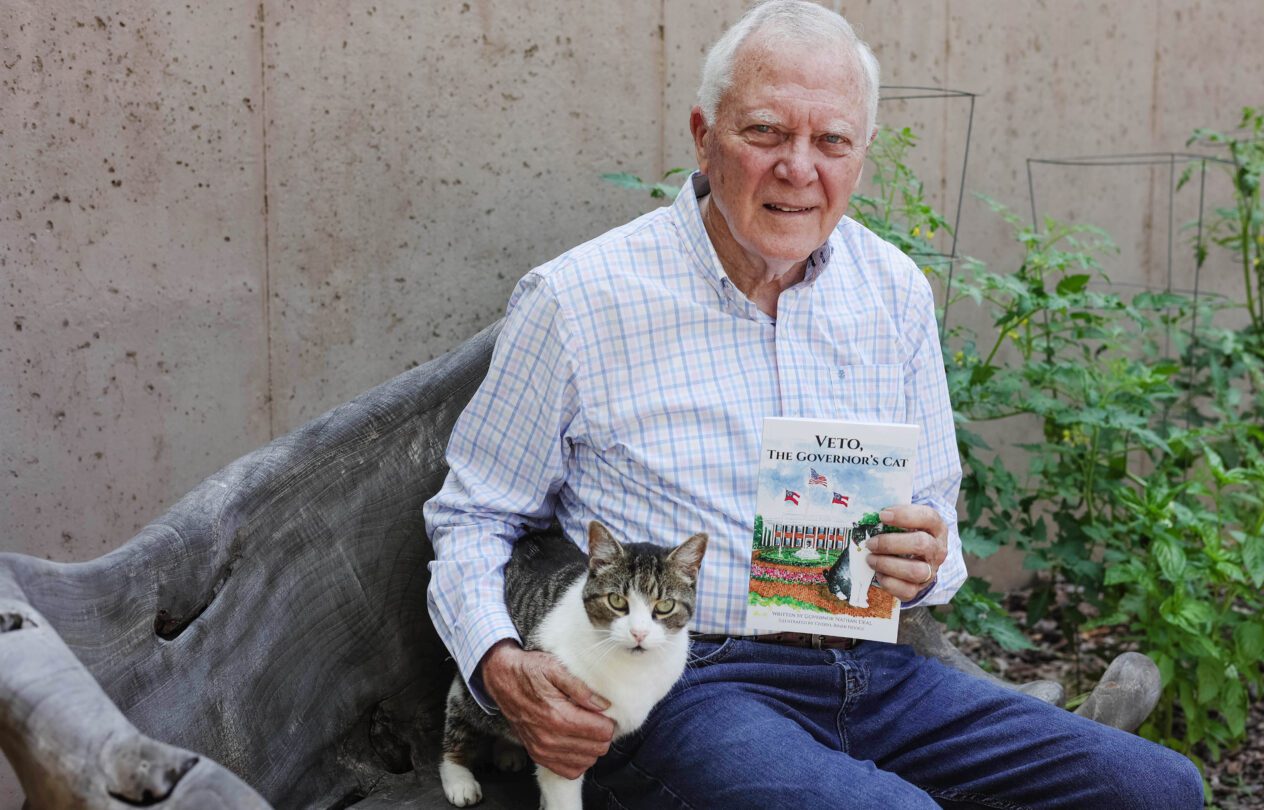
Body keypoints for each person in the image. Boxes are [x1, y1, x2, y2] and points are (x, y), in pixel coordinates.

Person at [425, 1, 1204, 807]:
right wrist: (500, 669)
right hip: (685, 682)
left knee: (1152, 787)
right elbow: (473, 516)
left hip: (877, 666)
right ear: (703, 134)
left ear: (860, 158)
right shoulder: (580, 298)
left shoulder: (892, 291)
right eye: (766, 132)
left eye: (831, 141)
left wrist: (927, 560)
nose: (800, 168)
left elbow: (935, 514)